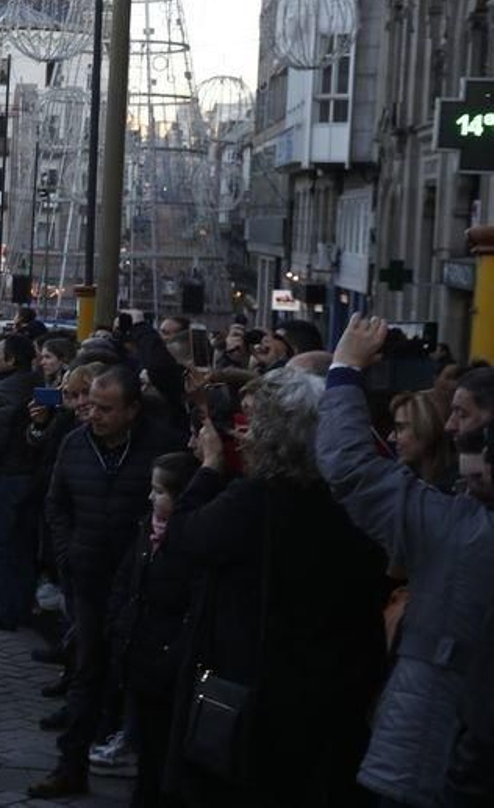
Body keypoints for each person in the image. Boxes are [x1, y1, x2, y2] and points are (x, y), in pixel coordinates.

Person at [153, 365, 386, 806]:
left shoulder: (252, 501)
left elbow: (183, 538)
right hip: (329, 691)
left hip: (253, 689)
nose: (241, 434)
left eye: (250, 424)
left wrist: (208, 468)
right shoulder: (352, 500)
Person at [316, 318, 494, 808]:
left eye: (464, 416)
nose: (451, 427)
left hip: (432, 752)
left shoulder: (458, 530)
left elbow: (350, 467)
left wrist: (346, 369)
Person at [32, 367, 175, 797]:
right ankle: (70, 764)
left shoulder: (158, 448)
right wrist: (67, 553)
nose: (93, 415)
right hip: (90, 577)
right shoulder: (75, 446)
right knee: (87, 670)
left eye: (105, 408)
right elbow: (57, 504)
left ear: (132, 410)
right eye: (90, 405)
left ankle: (149, 777)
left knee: (142, 679)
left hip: (142, 585)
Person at [105, 450, 198, 806]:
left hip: (164, 660)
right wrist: (118, 622)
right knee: (147, 750)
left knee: (161, 751)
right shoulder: (148, 529)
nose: (150, 497)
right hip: (138, 650)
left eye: (159, 491)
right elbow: (126, 579)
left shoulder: (190, 543)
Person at [0, 332, 40, 632]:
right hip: (31, 472)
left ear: (12, 359)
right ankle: (23, 606)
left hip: (5, 474)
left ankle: (4, 611)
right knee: (25, 545)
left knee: (1, 545)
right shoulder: (37, 383)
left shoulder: (2, 390)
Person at [389, 388, 457, 491]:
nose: (391, 437)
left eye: (401, 428)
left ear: (428, 428)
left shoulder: (456, 488)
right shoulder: (402, 479)